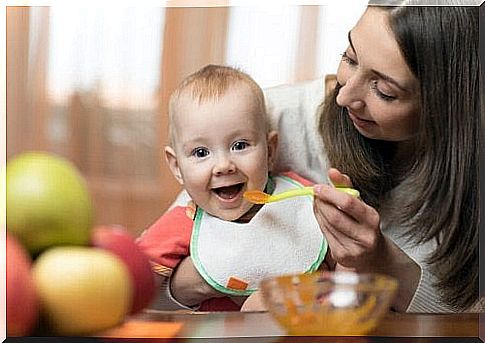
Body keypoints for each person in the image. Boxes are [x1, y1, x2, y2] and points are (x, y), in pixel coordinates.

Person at [161, 1, 480, 313]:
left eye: (383, 90)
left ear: (447, 103)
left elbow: (472, 315)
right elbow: (153, 292)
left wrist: (382, 261)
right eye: (350, 57)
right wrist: (218, 273)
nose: (343, 96)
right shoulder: (258, 121)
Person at [136, 65, 329, 311]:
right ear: (176, 166)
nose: (224, 166)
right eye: (201, 152)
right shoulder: (186, 222)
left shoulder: (301, 198)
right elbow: (134, 283)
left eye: (239, 145)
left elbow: (346, 261)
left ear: (270, 151)